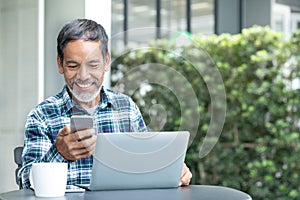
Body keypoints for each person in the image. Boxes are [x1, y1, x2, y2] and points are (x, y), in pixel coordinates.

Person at [18, 19, 192, 189]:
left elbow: (145, 162)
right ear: (60, 64)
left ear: (106, 61)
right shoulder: (42, 115)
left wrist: (172, 170)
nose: (84, 76)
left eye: (93, 65)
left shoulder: (126, 108)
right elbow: (26, 181)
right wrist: (60, 153)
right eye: (73, 66)